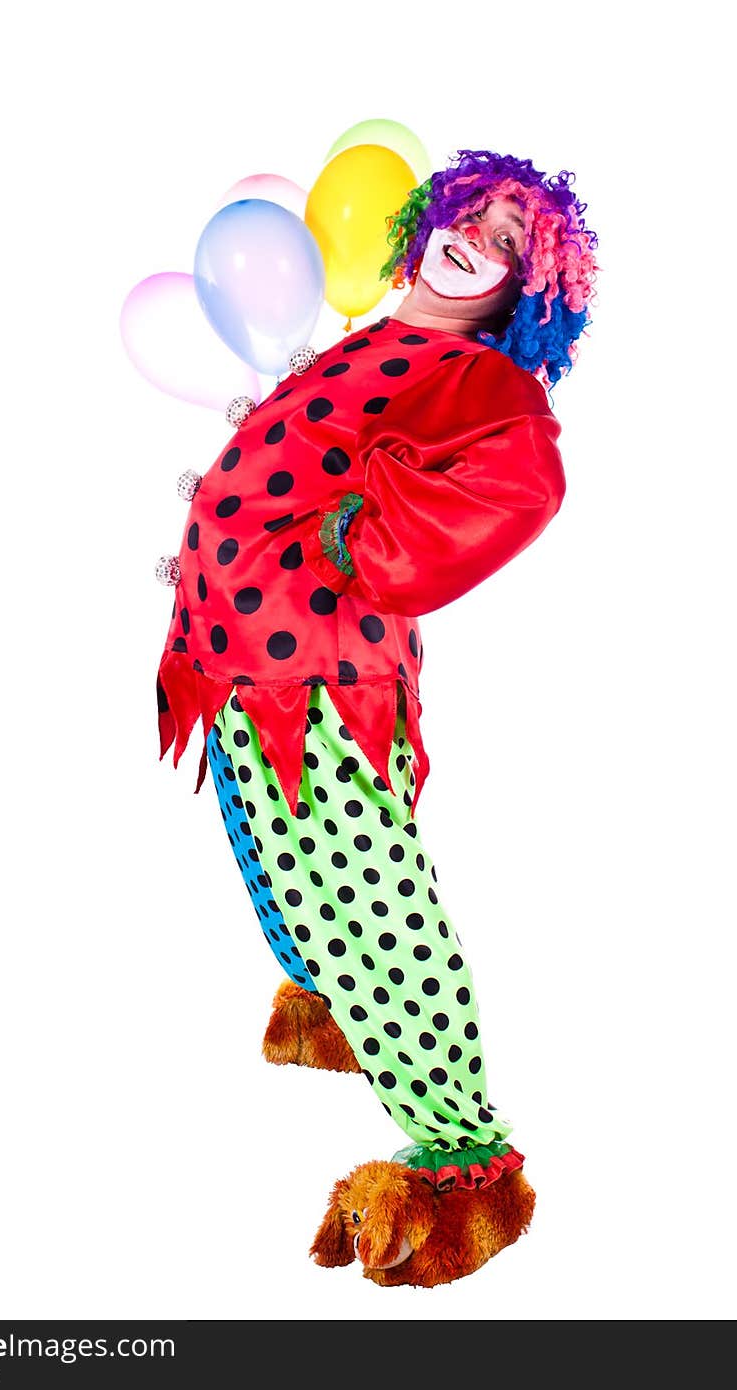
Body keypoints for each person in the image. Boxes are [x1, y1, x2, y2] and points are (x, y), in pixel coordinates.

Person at [154, 148, 599, 1286]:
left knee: (376, 897)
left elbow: (523, 484)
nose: (481, 243)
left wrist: (362, 539)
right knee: (292, 874)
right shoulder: (373, 339)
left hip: (323, 683)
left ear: (522, 291)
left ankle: (466, 1171)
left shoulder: (477, 379)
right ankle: (341, 1006)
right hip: (242, 666)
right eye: (474, 218)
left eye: (511, 245)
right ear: (427, 221)